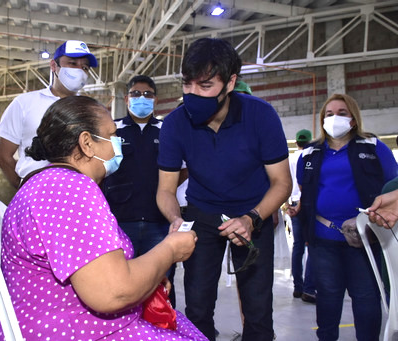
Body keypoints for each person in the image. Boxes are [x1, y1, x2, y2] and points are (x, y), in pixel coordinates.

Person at [0, 96, 207, 340]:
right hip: (77, 332)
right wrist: (169, 251)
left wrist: (149, 273)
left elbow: (102, 268)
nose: (118, 143)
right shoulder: (68, 190)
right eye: (112, 135)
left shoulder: (51, 183)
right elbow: (113, 292)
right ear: (87, 143)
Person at [156, 37, 292, 341]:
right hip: (202, 215)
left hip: (253, 214)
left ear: (230, 83)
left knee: (258, 307)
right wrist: (176, 219)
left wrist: (251, 219)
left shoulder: (261, 116)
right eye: (187, 84)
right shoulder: (176, 124)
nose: (193, 94)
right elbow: (165, 190)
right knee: (198, 304)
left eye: (205, 86)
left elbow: (282, 183)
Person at [296, 93, 398, 341]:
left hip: (364, 239)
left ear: (353, 119)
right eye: (329, 114)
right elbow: (305, 190)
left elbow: (394, 185)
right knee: (328, 298)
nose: (334, 118)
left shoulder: (373, 147)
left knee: (366, 299)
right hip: (323, 240)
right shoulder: (309, 154)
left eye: (341, 113)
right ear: (321, 120)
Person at [101, 75, 178, 305]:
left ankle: (164, 330)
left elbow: (182, 169)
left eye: (147, 94)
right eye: (136, 93)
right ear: (126, 99)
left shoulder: (167, 131)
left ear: (155, 100)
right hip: (122, 220)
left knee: (161, 282)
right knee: (122, 283)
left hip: (159, 221)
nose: (141, 98)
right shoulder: (113, 130)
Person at [0, 40, 98, 188]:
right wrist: (23, 187)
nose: (79, 70)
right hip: (35, 189)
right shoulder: (25, 103)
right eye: (73, 63)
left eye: (85, 67)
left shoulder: (91, 109)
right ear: (53, 66)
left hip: (76, 192)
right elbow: (3, 156)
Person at [286, 129, 316, 303]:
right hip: (308, 204)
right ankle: (309, 288)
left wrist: (287, 204)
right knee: (312, 245)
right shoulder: (311, 156)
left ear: (296, 142)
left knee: (297, 246)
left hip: (294, 204)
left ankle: (298, 286)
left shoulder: (290, 159)